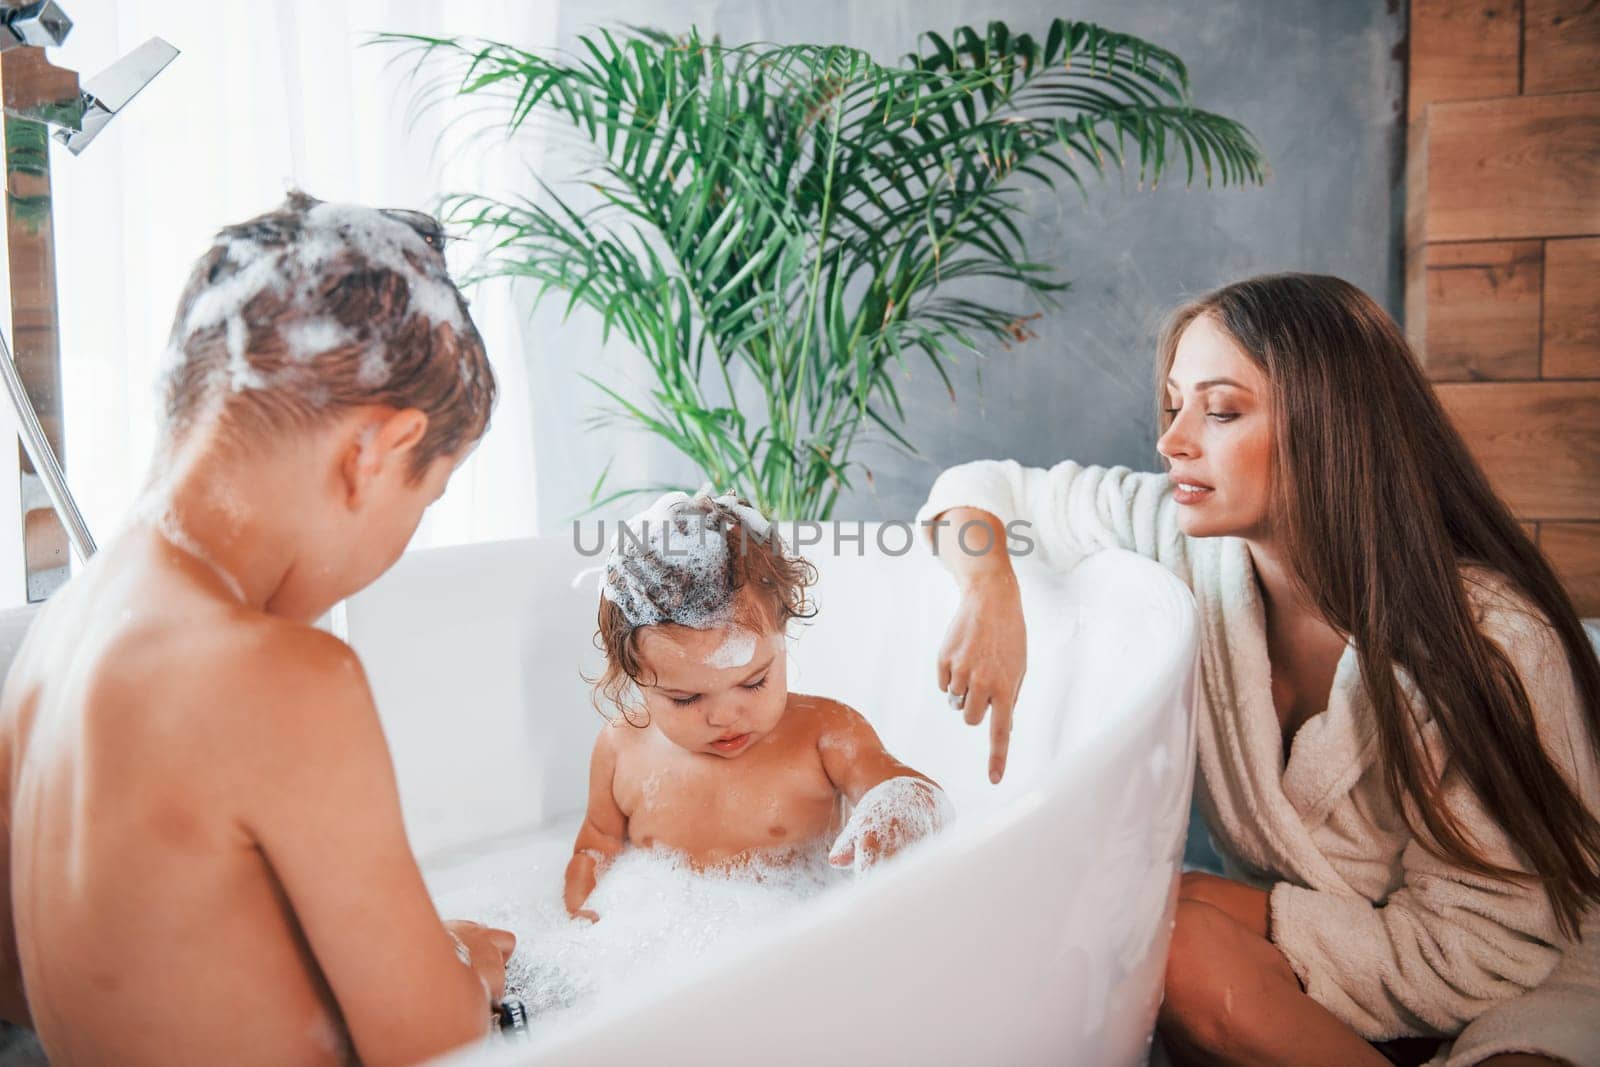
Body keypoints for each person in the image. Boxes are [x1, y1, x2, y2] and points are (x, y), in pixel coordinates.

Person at [917, 273, 1600, 1065]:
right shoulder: (1181, 541)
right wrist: (989, 585)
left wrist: (1257, 913)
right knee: (1171, 936)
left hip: (1517, 980)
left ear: (1331, 426)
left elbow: (1497, 945)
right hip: (1313, 974)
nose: (1173, 440)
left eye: (1220, 410)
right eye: (1173, 405)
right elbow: (977, 489)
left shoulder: (1490, 639)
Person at [0, 193, 517, 1065]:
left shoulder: (54, 641)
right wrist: (462, 964)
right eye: (424, 500)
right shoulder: (287, 676)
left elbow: (26, 977)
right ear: (374, 454)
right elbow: (434, 1043)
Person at [564, 490, 951, 920]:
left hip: (800, 940)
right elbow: (595, 845)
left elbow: (906, 788)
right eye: (685, 698)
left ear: (783, 633)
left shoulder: (824, 733)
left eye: (753, 682)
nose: (725, 716)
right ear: (633, 675)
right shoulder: (621, 750)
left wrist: (896, 810)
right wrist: (585, 929)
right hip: (669, 949)